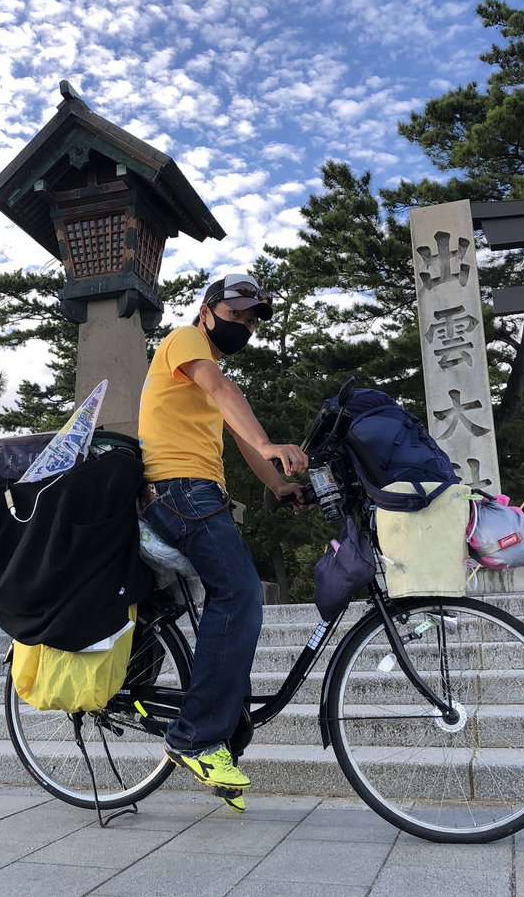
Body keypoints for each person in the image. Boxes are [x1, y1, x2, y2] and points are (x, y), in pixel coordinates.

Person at [137, 272, 308, 812]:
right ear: (207, 311)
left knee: (229, 597)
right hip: (178, 489)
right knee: (239, 592)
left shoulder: (209, 375)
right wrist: (270, 441)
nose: (245, 326)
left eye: (252, 321)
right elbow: (221, 391)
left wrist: (278, 485)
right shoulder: (185, 341)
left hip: (197, 493)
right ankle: (195, 737)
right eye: (235, 315)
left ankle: (220, 730)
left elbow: (239, 435)